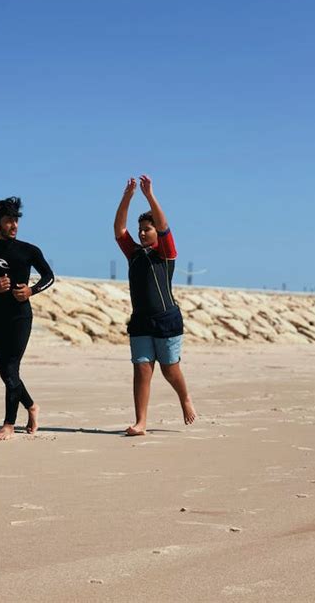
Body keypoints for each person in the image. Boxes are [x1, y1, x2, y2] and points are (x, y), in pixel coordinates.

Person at [114, 175, 196, 435]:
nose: (141, 232)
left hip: (166, 319)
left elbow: (164, 227)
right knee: (142, 369)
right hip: (140, 321)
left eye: (146, 229)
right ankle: (141, 422)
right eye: (140, 229)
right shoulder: (134, 254)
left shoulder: (166, 253)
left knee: (170, 370)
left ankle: (184, 398)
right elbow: (119, 230)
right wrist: (127, 197)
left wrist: (149, 195)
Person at [0, 196, 54, 440]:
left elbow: (49, 276)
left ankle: (8, 424)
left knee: (11, 368)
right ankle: (32, 406)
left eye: (16, 220)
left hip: (21, 317)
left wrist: (31, 290)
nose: (14, 225)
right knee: (6, 373)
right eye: (8, 221)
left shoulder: (28, 251)